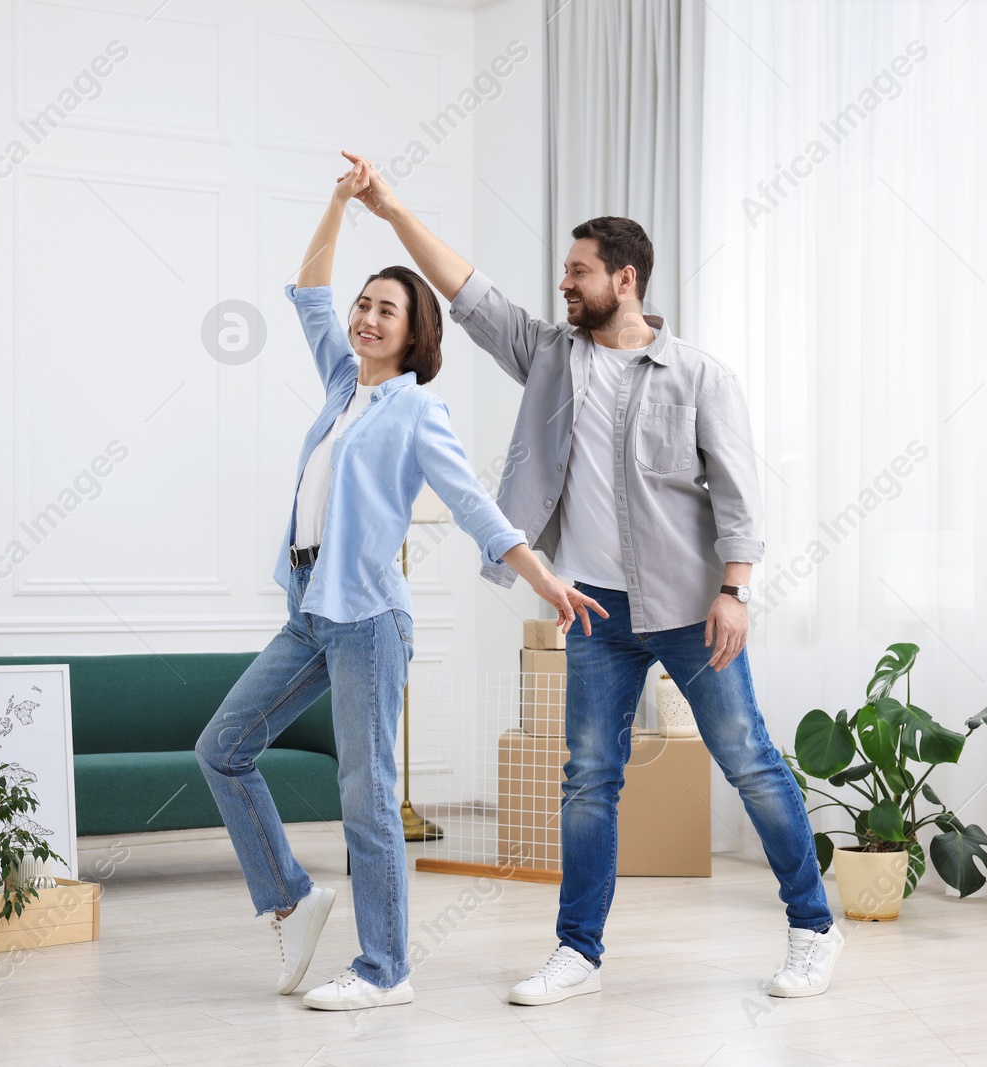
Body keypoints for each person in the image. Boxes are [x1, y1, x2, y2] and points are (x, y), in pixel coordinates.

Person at [342, 152, 843, 1005]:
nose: (564, 285)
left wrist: (736, 589)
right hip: (593, 612)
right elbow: (468, 294)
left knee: (752, 761)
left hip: (690, 609)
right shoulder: (549, 356)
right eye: (564, 272)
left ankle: (813, 928)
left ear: (626, 277)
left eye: (578, 271)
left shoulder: (700, 375)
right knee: (588, 780)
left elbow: (739, 492)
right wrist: (390, 209)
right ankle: (578, 949)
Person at [195, 154, 607, 1012]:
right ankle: (291, 896)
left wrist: (544, 577)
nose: (366, 316)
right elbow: (307, 293)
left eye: (388, 308)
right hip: (309, 611)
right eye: (365, 304)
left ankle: (385, 968)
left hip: (369, 621)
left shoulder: (418, 408)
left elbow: (475, 507)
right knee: (222, 748)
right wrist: (341, 204)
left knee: (368, 796)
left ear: (416, 330)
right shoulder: (344, 384)